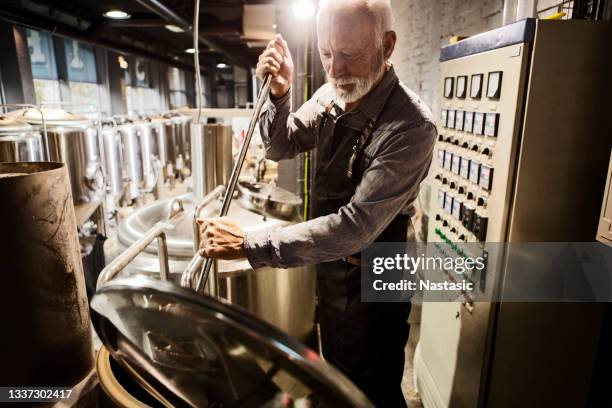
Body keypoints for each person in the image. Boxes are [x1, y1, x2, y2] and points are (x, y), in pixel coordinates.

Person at [197, 0, 436, 405]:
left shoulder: (411, 125)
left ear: (388, 45)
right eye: (327, 54)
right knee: (338, 379)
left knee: (371, 390)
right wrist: (281, 91)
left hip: (376, 281)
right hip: (334, 271)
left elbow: (354, 226)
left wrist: (251, 244)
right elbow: (280, 144)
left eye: (349, 54)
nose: (336, 69)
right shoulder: (331, 96)